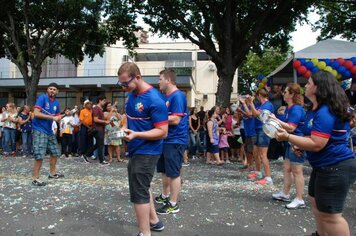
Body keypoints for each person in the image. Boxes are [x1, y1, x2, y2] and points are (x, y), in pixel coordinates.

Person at [275, 71, 356, 236]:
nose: (306, 86)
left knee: (331, 216)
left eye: (309, 83)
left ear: (319, 88)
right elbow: (313, 137)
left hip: (335, 166)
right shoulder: (315, 109)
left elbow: (318, 144)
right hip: (323, 165)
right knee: (316, 203)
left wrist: (289, 137)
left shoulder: (325, 111)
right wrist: (301, 144)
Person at [118, 62, 168, 236]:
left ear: (137, 77)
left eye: (126, 83)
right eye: (121, 84)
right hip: (136, 149)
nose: (124, 87)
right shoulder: (132, 94)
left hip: (148, 151)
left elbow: (162, 131)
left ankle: (144, 233)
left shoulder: (155, 99)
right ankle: (154, 222)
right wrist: (124, 127)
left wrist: (136, 135)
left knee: (139, 192)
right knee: (143, 187)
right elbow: (129, 116)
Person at [155, 69, 188, 215]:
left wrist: (156, 119)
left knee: (174, 173)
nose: (158, 81)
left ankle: (173, 204)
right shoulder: (166, 97)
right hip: (165, 139)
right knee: (164, 170)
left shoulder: (178, 96)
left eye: (160, 78)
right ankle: (165, 195)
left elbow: (176, 119)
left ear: (168, 80)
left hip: (175, 140)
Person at [270, 83, 306, 209]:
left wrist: (275, 119)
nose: (283, 94)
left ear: (291, 94)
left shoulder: (296, 109)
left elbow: (291, 127)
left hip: (296, 142)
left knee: (297, 171)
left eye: (285, 92)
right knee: (286, 168)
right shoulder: (290, 108)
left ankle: (299, 199)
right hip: (290, 142)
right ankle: (285, 193)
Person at [31, 82, 63, 186]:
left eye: (54, 89)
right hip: (39, 129)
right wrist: (52, 117)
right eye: (50, 89)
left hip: (49, 131)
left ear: (57, 91)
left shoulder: (56, 102)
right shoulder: (42, 98)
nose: (52, 91)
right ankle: (35, 178)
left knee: (55, 152)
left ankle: (52, 174)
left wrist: (59, 119)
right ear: (47, 90)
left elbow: (57, 115)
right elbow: (36, 113)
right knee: (39, 154)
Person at [245, 88, 275, 185]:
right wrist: (250, 104)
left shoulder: (268, 105)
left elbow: (257, 114)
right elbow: (251, 113)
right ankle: (258, 172)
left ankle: (268, 177)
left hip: (264, 130)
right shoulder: (261, 105)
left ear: (259, 96)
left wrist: (251, 103)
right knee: (256, 152)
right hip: (258, 129)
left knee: (263, 154)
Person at [82, 96, 110, 166]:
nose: (104, 102)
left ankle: (86, 155)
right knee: (100, 145)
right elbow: (95, 119)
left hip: (100, 129)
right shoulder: (96, 108)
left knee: (98, 144)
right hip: (98, 129)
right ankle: (102, 161)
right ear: (100, 100)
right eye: (103, 100)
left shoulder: (98, 108)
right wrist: (105, 121)